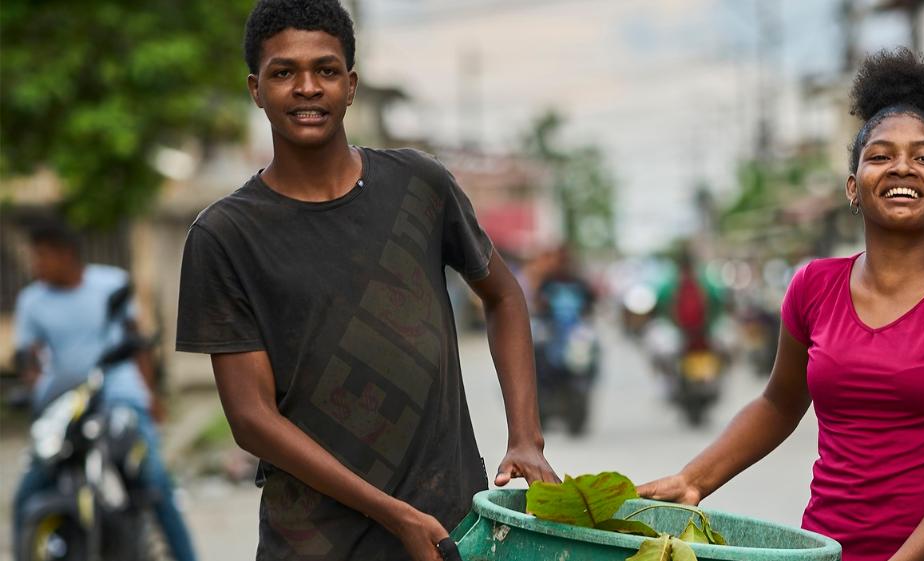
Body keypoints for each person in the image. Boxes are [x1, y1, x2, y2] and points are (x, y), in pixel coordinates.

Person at [173, 2, 556, 560]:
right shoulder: (225, 235)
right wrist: (391, 512)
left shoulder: (420, 185)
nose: (307, 87)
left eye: (326, 70)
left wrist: (526, 436)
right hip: (313, 542)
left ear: (350, 86)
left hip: (450, 525)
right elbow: (252, 419)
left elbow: (502, 295)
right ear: (256, 89)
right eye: (284, 72)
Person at [639, 48, 924, 561]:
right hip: (828, 550)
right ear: (852, 187)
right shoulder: (813, 287)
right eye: (881, 155)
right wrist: (694, 480)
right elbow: (778, 404)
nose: (903, 168)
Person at [12, 222, 197, 561]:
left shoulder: (110, 283)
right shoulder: (32, 300)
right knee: (27, 493)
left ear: (65, 254)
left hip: (119, 397)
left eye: (41, 255)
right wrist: (35, 386)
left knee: (155, 481)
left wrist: (150, 395)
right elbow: (30, 359)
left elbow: (138, 344)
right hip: (66, 404)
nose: (35, 264)